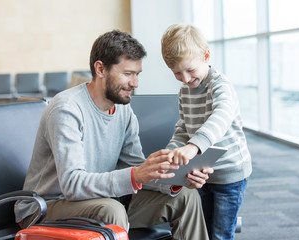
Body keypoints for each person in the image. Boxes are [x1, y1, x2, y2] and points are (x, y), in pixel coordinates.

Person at [14, 30, 213, 240]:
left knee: (185, 196)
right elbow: (72, 184)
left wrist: (177, 179)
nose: (135, 83)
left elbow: (133, 165)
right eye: (128, 74)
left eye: (137, 74)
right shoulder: (67, 109)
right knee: (111, 210)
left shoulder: (123, 110)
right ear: (100, 69)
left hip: (102, 201)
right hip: (47, 207)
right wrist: (136, 174)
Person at [161, 24, 252, 240]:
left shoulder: (221, 86)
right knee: (204, 232)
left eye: (190, 70)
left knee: (220, 234)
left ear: (206, 56)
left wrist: (194, 145)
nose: (185, 78)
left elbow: (221, 116)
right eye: (176, 73)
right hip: (201, 174)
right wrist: (172, 151)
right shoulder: (185, 91)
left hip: (230, 174)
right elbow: (183, 127)